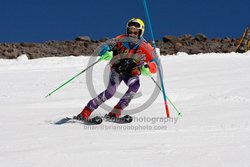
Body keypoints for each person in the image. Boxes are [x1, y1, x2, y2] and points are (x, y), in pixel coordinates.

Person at [76, 18, 158, 120]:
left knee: (134, 86)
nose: (132, 34)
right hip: (118, 70)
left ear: (140, 33)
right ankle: (85, 112)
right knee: (110, 92)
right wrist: (106, 52)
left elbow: (155, 62)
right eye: (130, 32)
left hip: (132, 73)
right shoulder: (120, 39)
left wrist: (149, 68)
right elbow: (105, 46)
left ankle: (115, 112)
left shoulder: (145, 46)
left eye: (135, 32)